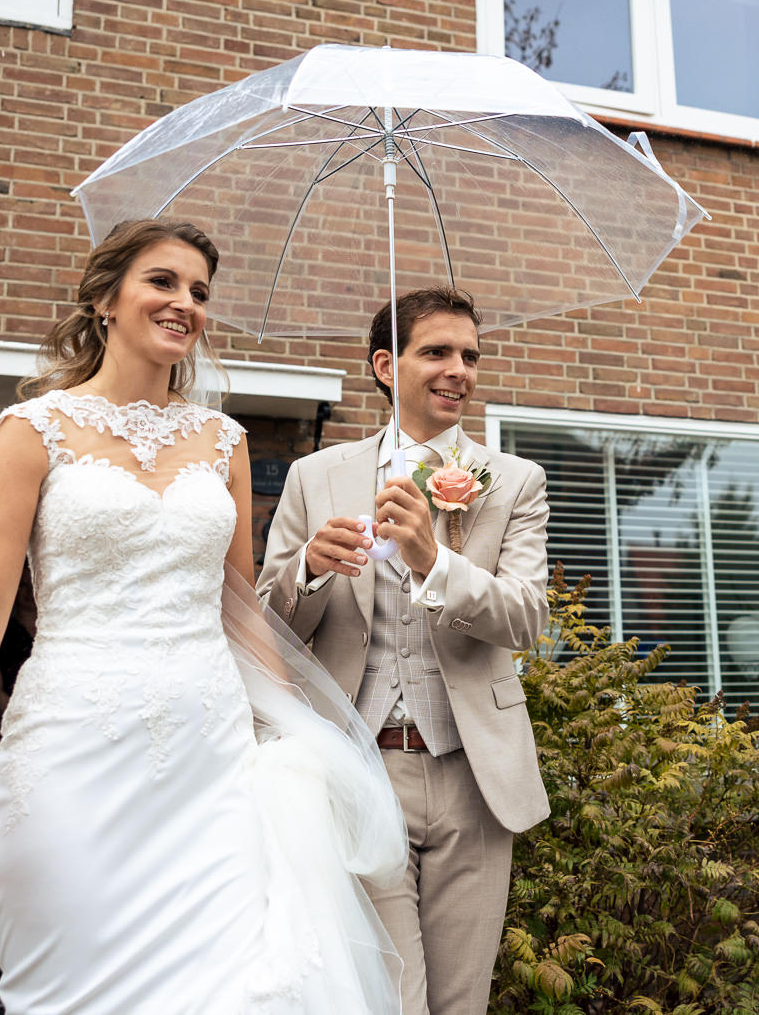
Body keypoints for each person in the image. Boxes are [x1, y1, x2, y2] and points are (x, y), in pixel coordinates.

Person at [0, 219, 406, 1015]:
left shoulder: (222, 441)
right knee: (66, 985)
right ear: (104, 298)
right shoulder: (29, 434)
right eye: (163, 281)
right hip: (68, 755)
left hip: (209, 762)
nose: (185, 302)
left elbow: (241, 609)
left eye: (200, 291)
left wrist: (291, 733)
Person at [257, 287, 550, 1015]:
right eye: (437, 352)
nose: (460, 370)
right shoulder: (314, 476)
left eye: (470, 355)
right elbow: (269, 629)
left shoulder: (512, 482)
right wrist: (312, 570)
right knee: (390, 1000)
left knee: (460, 1003)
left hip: (473, 778)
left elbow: (525, 617)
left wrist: (432, 560)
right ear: (386, 364)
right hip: (358, 771)